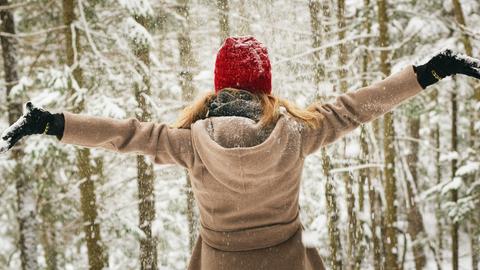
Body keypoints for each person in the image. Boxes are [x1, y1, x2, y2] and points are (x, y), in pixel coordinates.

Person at [1, 36, 480, 270]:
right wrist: (430, 71)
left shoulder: (191, 143)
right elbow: (358, 107)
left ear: (219, 86)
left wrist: (53, 123)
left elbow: (126, 134)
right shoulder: (297, 132)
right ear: (265, 88)